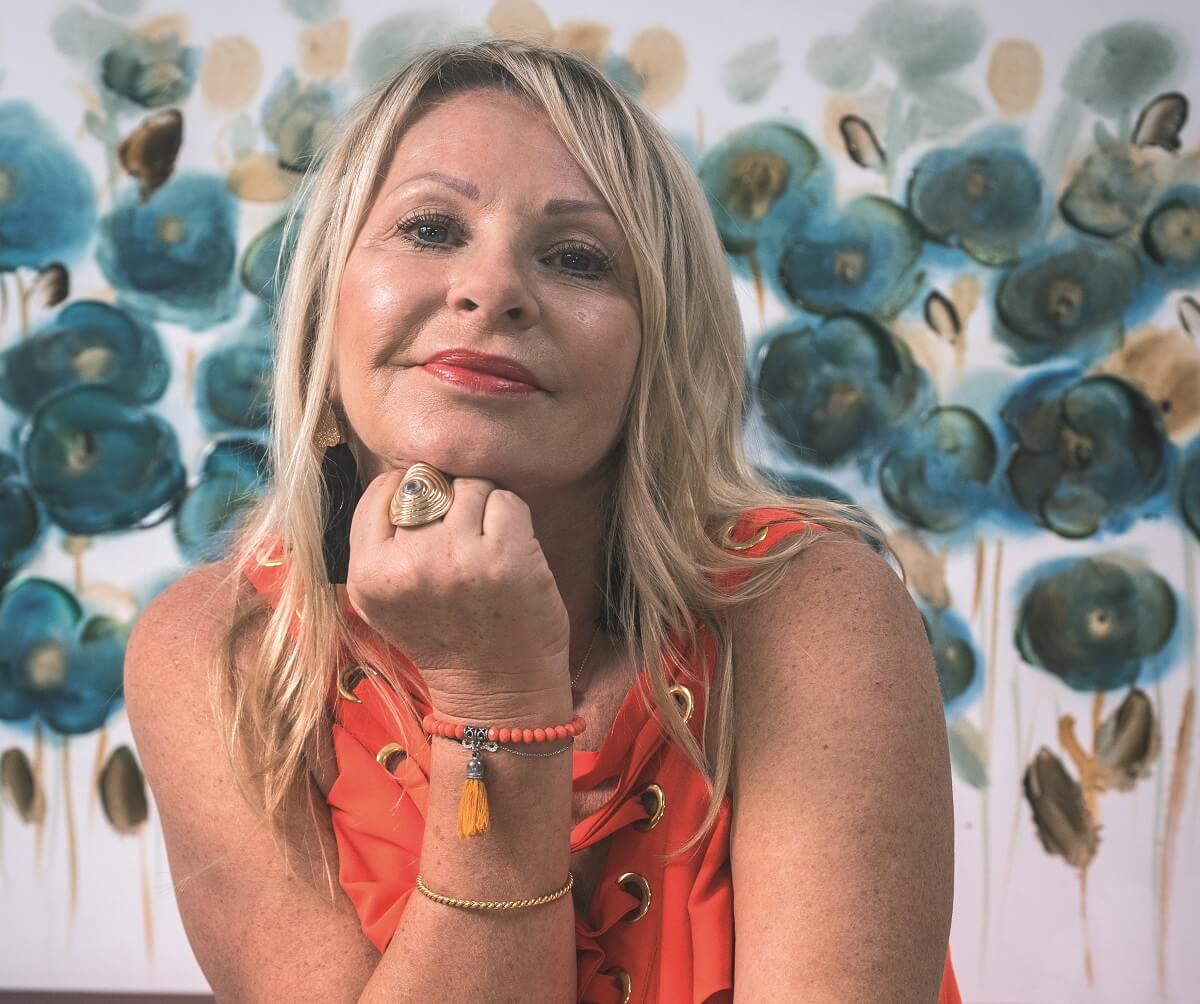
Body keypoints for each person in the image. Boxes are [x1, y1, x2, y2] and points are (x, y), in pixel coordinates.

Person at [125, 38, 960, 1003]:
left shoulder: (811, 608)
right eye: (430, 228)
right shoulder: (215, 651)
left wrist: (496, 696)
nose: (492, 290)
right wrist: (496, 702)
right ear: (324, 306)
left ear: (658, 344)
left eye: (575, 258)